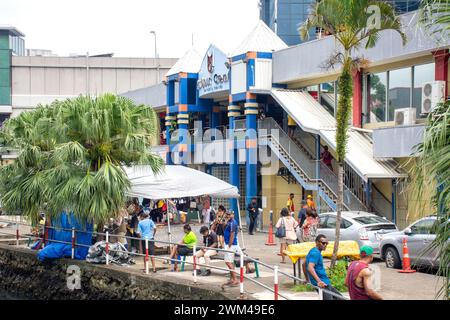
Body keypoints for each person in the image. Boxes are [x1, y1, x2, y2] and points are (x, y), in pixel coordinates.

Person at [303, 235, 343, 300]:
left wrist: (307, 279)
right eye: (323, 243)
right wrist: (319, 281)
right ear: (316, 242)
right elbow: (310, 267)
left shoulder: (313, 251)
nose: (325, 245)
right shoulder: (315, 253)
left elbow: (304, 264)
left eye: (326, 243)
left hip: (325, 282)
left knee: (340, 298)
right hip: (323, 284)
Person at [222, 211, 241, 287]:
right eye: (227, 214)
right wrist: (225, 221)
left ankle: (235, 279)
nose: (228, 215)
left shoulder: (233, 222)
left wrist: (229, 245)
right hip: (228, 244)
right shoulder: (229, 222)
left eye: (230, 214)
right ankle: (232, 278)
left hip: (231, 245)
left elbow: (232, 235)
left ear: (233, 215)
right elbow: (223, 228)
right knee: (229, 262)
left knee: (228, 262)